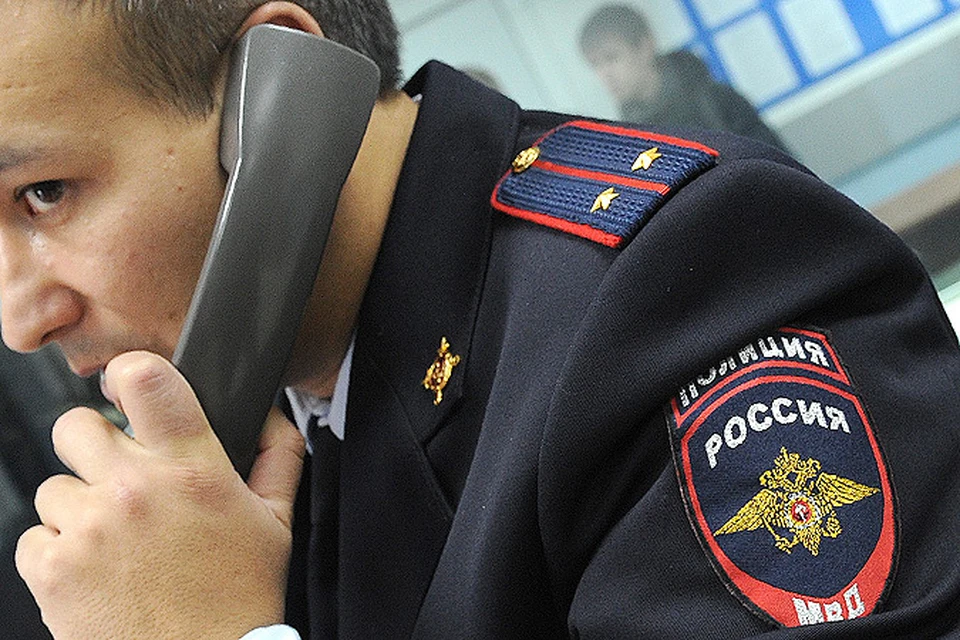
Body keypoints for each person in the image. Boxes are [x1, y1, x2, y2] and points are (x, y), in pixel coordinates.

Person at [1, 1, 958, 638]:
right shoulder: (264, 413)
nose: (20, 321)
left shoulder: (690, 278)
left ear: (278, 95)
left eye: (43, 194)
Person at [580, 4, 788, 152]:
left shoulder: (717, 100)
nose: (604, 74)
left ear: (645, 46)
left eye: (611, 58)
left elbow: (781, 169)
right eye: (595, 65)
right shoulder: (630, 140)